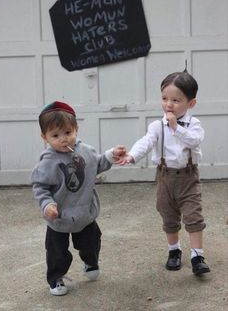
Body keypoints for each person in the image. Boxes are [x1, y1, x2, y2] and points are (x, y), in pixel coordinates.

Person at [117, 71, 210, 276]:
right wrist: (132, 155)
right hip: (165, 177)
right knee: (168, 215)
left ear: (191, 103)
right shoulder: (157, 126)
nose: (169, 104)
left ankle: (197, 255)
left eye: (176, 100)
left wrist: (176, 127)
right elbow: (146, 142)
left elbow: (194, 141)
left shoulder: (194, 125)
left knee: (193, 215)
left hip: (188, 177)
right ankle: (174, 251)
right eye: (165, 99)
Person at [31, 101, 125, 296]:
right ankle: (56, 278)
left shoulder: (85, 150)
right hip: (59, 217)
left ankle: (90, 262)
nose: (63, 139)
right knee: (57, 252)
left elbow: (97, 163)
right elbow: (40, 187)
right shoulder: (48, 162)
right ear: (44, 137)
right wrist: (47, 204)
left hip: (84, 213)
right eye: (55, 135)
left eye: (68, 132)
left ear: (76, 129)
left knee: (91, 242)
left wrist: (111, 155)